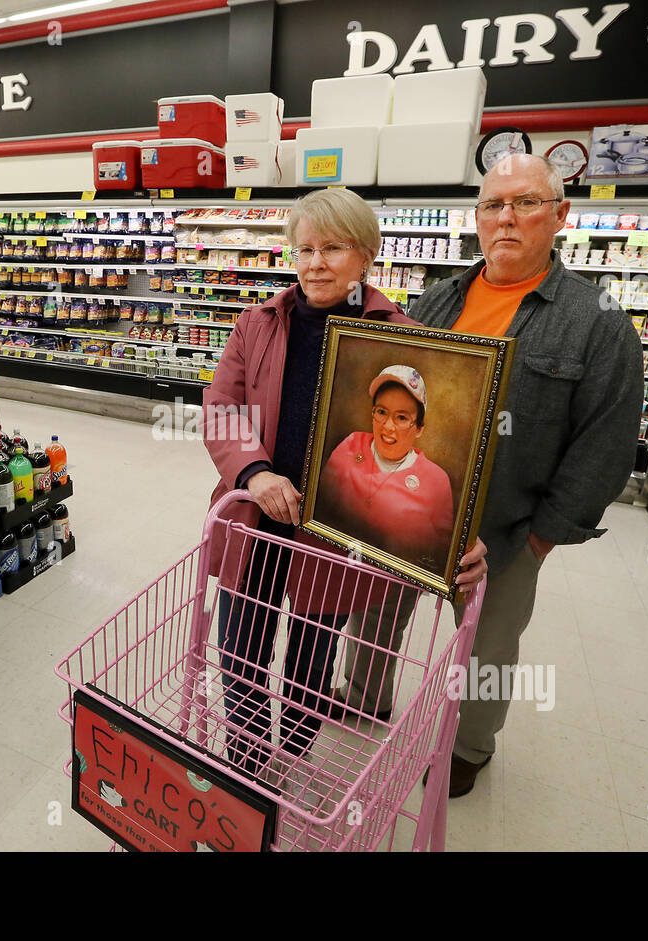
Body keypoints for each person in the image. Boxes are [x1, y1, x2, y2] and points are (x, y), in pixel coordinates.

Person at [335, 153, 644, 796]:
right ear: (476, 217)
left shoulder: (599, 321)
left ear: (560, 214)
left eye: (526, 202)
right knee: (375, 612)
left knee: (488, 648)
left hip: (506, 528)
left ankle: (468, 748)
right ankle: (363, 697)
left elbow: (605, 444)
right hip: (412, 503)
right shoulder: (439, 295)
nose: (506, 218)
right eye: (492, 205)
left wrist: (541, 538)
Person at [202, 188, 487, 782]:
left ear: (365, 256)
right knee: (241, 645)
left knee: (311, 653)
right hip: (258, 519)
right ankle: (248, 764)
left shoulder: (403, 336)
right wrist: (253, 472)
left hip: (338, 532)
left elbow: (432, 448)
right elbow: (221, 407)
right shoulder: (257, 324)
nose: (315, 263)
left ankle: (295, 754)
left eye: (332, 248)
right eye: (304, 248)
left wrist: (450, 532)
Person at [318, 364, 454, 572]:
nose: (388, 427)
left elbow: (440, 555)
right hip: (327, 574)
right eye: (381, 412)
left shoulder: (437, 480)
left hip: (390, 596)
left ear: (419, 428)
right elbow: (320, 509)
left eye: (401, 417)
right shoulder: (351, 444)